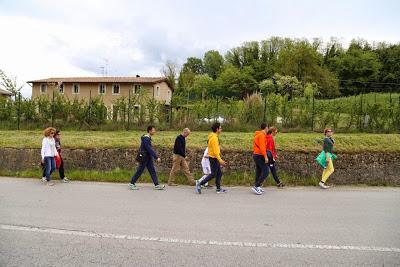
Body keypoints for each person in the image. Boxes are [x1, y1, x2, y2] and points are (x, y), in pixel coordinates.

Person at [129, 125, 165, 190]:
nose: (155, 131)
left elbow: (148, 148)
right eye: (154, 130)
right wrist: (156, 157)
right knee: (139, 171)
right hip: (144, 157)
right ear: (150, 131)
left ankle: (157, 185)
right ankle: (131, 183)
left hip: (148, 157)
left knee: (152, 171)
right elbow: (149, 149)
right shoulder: (146, 139)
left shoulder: (147, 138)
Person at [195, 122, 227, 194]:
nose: (221, 129)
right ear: (217, 129)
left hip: (213, 157)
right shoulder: (214, 138)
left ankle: (218, 189)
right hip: (214, 158)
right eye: (220, 128)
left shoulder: (212, 136)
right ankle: (200, 184)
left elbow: (215, 149)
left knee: (219, 174)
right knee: (213, 174)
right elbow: (215, 152)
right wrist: (220, 160)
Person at [252, 123, 269, 195]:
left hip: (256, 154)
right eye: (268, 128)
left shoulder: (258, 134)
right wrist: (265, 156)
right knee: (266, 171)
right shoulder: (262, 135)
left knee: (258, 172)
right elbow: (262, 147)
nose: (268, 129)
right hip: (259, 155)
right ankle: (256, 186)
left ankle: (257, 186)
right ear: (265, 128)